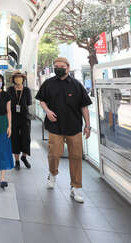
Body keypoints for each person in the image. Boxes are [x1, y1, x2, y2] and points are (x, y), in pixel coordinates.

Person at [36, 57, 92, 203]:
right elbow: (41, 100)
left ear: (68, 67)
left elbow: (84, 106)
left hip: (74, 127)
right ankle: (52, 174)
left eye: (61, 66)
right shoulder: (48, 83)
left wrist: (87, 125)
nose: (58, 68)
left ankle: (76, 187)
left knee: (76, 157)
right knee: (54, 154)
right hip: (55, 127)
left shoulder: (77, 85)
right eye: (56, 66)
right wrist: (47, 111)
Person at [7, 71, 32, 170]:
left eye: (20, 77)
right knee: (15, 138)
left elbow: (29, 103)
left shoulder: (27, 90)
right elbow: (7, 103)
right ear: (13, 79)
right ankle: (16, 161)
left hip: (25, 117)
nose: (18, 79)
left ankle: (24, 157)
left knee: (26, 138)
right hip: (13, 118)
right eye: (16, 77)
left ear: (23, 79)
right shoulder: (9, 90)